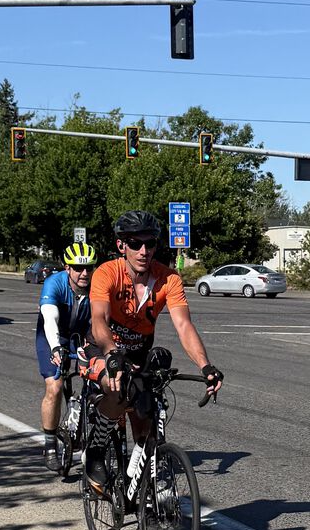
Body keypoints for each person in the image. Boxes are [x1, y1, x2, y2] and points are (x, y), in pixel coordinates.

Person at [82, 211, 222, 494]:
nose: (144, 251)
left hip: (138, 352)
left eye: (150, 243)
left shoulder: (168, 278)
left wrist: (206, 366)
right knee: (115, 387)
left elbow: (183, 325)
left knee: (146, 425)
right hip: (102, 346)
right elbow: (99, 319)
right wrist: (111, 352)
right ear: (122, 245)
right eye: (135, 244)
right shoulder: (107, 272)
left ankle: (148, 499)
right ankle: (96, 448)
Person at [36, 243, 97, 472]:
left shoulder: (96, 286)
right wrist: (55, 348)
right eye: (78, 268)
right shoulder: (55, 283)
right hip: (52, 336)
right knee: (55, 386)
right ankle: (50, 444)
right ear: (66, 267)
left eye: (89, 268)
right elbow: (49, 318)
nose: (84, 273)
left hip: (81, 335)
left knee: (98, 379)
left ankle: (84, 423)